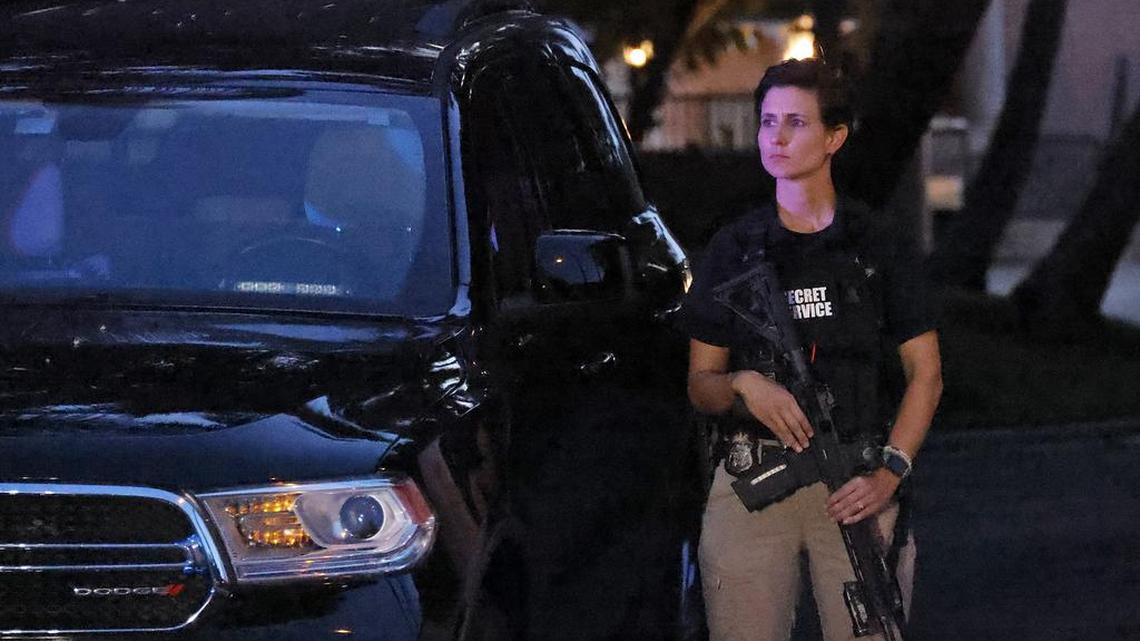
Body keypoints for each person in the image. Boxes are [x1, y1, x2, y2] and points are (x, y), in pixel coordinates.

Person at [681, 58, 943, 641]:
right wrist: (745, 386)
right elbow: (702, 384)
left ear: (834, 138)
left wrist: (892, 470)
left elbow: (925, 373)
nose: (775, 137)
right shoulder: (735, 247)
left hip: (855, 483)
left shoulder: (876, 244)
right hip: (753, 484)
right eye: (767, 121)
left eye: (795, 123)